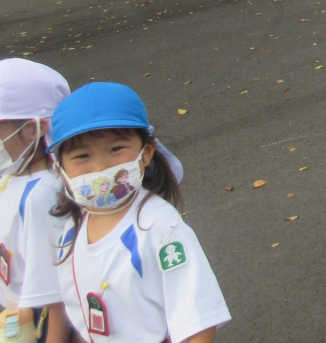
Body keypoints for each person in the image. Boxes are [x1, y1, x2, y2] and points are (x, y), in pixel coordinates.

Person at [48, 81, 231, 342]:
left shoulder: (160, 227)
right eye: (82, 156)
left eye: (115, 149)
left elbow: (198, 323)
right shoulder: (72, 230)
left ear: (146, 152)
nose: (100, 167)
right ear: (60, 167)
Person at [0, 60, 73, 343]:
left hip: (34, 326)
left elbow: (58, 299)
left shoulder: (42, 196)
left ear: (35, 129)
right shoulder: (11, 176)